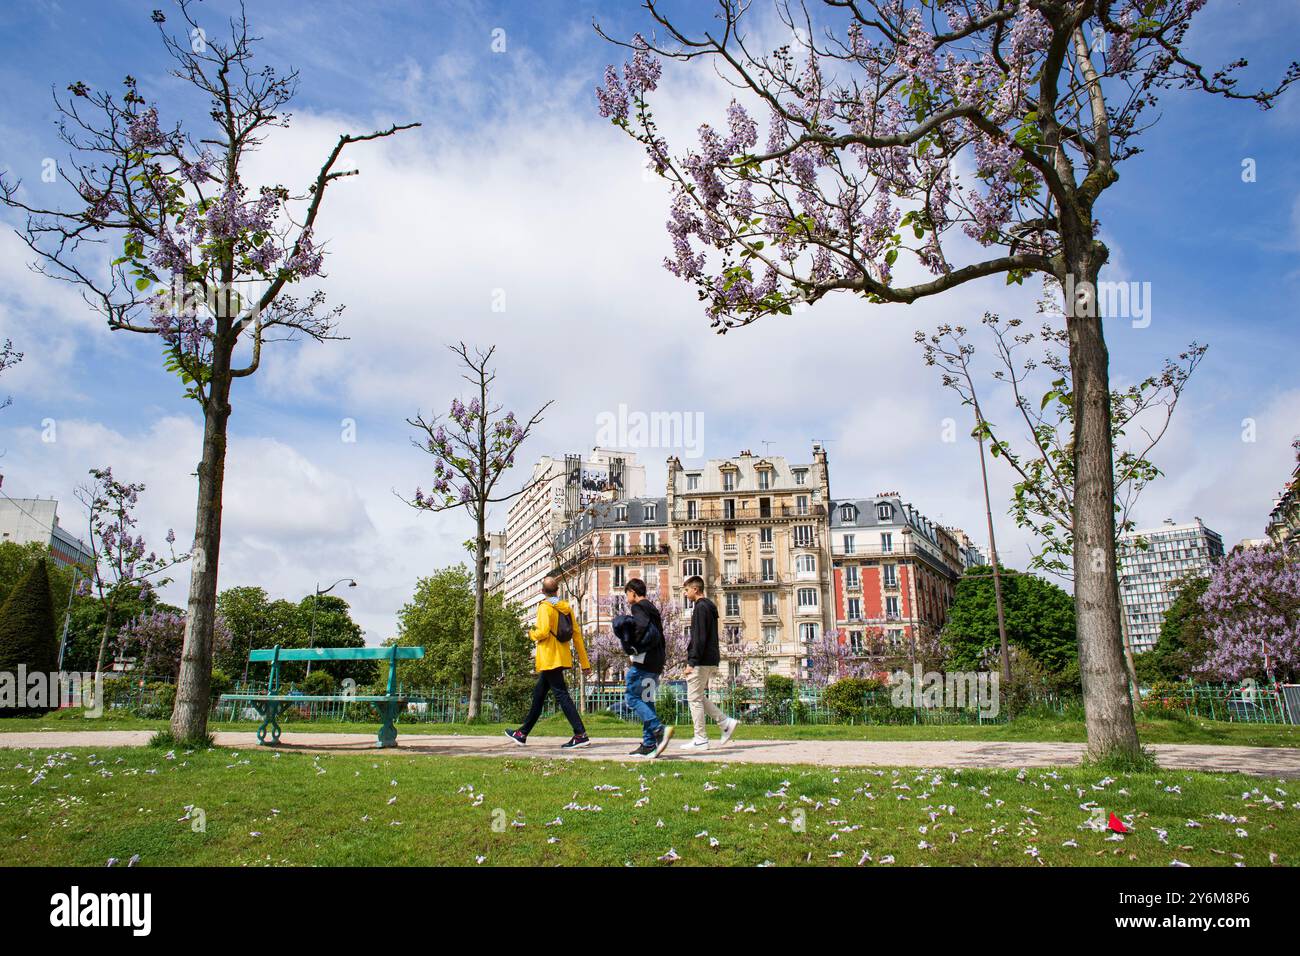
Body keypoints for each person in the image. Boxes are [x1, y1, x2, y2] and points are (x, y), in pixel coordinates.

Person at [504, 576, 591, 749]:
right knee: (539, 695)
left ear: (542, 591)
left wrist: (531, 633)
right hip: (562, 657)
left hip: (549, 658)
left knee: (561, 695)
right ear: (557, 590)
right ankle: (522, 734)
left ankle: (580, 734)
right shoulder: (567, 609)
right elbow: (577, 635)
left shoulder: (545, 607)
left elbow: (542, 632)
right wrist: (585, 663)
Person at [612, 577, 673, 758]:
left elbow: (639, 627)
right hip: (656, 662)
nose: (626, 597)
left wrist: (630, 643)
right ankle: (648, 745)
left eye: (627, 594)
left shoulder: (638, 607)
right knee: (647, 701)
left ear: (633, 592)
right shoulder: (652, 608)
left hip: (643, 662)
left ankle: (658, 729)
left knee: (632, 697)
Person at [679, 575, 739, 751]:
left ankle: (701, 738)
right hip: (710, 658)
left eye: (687, 590)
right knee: (697, 696)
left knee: (693, 699)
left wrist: (692, 661)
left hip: (701, 659)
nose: (685, 593)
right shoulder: (709, 607)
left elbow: (699, 637)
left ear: (695, 589)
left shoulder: (700, 608)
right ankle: (725, 722)